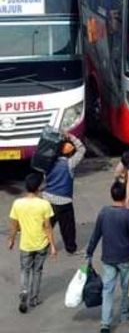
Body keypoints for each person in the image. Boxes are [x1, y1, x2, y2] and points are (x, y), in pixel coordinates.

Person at [86, 180, 129, 333]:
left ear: (111, 195)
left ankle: (105, 323)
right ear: (125, 196)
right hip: (125, 259)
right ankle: (125, 313)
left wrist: (89, 253)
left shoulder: (104, 212)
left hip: (108, 258)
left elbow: (96, 235)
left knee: (107, 290)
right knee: (126, 288)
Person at [7, 173, 57, 314]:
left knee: (25, 269)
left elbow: (14, 226)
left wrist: (11, 239)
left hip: (26, 244)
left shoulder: (17, 204)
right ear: (38, 188)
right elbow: (48, 227)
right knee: (37, 271)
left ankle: (24, 291)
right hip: (41, 243)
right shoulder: (44, 204)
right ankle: (33, 299)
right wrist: (52, 245)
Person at [43, 132, 86, 255]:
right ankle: (71, 248)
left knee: (47, 224)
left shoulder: (48, 163)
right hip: (64, 201)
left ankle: (42, 246)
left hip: (47, 198)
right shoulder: (69, 164)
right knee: (68, 227)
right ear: (69, 152)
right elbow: (82, 149)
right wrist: (71, 136)